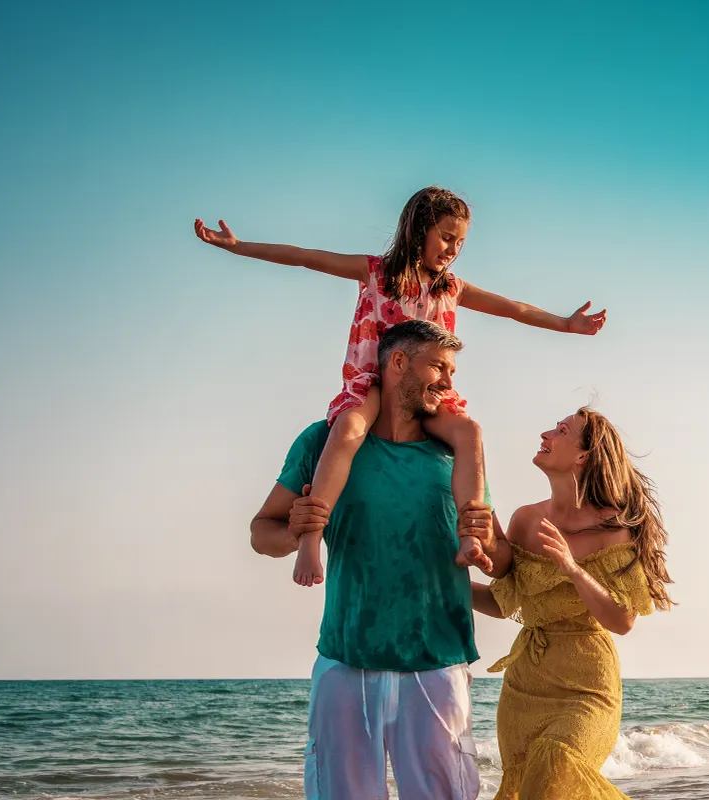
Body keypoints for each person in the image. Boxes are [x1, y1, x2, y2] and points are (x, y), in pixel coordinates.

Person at [197, 186, 606, 587]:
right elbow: (307, 258)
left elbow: (515, 309)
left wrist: (566, 324)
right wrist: (238, 247)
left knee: (470, 432)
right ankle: (310, 539)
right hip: (375, 382)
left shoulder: (453, 289)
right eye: (446, 237)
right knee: (348, 430)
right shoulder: (376, 272)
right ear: (418, 230)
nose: (452, 249)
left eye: (460, 242)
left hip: (430, 392)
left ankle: (470, 537)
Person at [249, 319, 506, 800]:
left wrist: (490, 541)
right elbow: (262, 532)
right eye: (439, 367)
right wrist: (297, 531)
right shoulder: (324, 441)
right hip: (347, 659)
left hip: (438, 660)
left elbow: (501, 553)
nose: (450, 384)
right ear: (399, 363)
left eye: (453, 371)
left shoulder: (456, 453)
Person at [471, 407, 676, 799]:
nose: (546, 433)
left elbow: (622, 620)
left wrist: (571, 568)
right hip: (525, 684)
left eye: (561, 431)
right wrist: (439, 582)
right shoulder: (526, 520)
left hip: (588, 686)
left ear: (583, 456)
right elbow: (502, 603)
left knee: (557, 758)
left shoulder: (614, 530)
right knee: (528, 788)